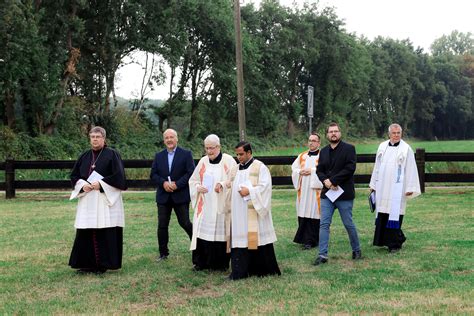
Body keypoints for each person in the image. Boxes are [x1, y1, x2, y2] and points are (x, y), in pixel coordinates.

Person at [69, 126, 127, 274]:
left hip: (104, 199)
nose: (95, 139)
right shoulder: (84, 156)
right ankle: (86, 264)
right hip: (88, 200)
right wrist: (82, 186)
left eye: (98, 137)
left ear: (104, 139)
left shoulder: (112, 155)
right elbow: (74, 176)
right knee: (86, 231)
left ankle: (103, 264)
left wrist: (101, 184)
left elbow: (119, 177)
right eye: (92, 137)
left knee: (104, 231)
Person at [224, 141, 281, 280]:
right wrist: (222, 185)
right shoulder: (234, 169)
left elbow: (265, 187)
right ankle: (240, 272)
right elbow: (229, 184)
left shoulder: (260, 167)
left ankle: (262, 270)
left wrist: (249, 191)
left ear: (249, 152)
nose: (239, 157)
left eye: (241, 154)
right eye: (237, 154)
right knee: (240, 241)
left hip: (253, 212)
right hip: (239, 213)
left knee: (256, 239)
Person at [314, 122, 361, 265]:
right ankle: (322, 255)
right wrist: (326, 182)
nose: (333, 134)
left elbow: (350, 168)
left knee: (348, 223)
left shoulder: (349, 149)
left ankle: (357, 250)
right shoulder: (323, 151)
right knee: (324, 224)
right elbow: (319, 170)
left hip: (344, 194)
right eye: (330, 132)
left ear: (340, 133)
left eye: (336, 131)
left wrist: (333, 181)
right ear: (327, 135)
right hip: (328, 194)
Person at [369, 123, 421, 253]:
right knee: (383, 213)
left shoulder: (406, 149)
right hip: (382, 186)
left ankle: (394, 244)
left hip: (397, 188)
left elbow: (411, 169)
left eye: (398, 133)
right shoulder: (382, 147)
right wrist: (373, 185)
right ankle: (386, 240)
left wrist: (410, 187)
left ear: (401, 134)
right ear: (389, 134)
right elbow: (377, 166)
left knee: (394, 214)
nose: (396, 135)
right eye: (394, 133)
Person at [188, 134, 236, 271]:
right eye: (206, 148)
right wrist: (198, 187)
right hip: (206, 205)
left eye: (212, 148)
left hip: (221, 205)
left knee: (220, 235)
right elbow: (193, 180)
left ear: (219, 147)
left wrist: (222, 184)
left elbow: (234, 179)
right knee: (202, 233)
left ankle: (220, 265)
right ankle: (201, 263)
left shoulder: (228, 161)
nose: (209, 151)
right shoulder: (203, 162)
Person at [150, 128, 195, 262]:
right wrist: (163, 183)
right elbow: (153, 174)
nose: (169, 140)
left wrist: (177, 184)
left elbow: (190, 173)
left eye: (171, 137)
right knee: (162, 225)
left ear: (177, 139)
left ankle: (198, 246)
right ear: (164, 140)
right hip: (163, 196)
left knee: (185, 223)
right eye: (166, 138)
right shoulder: (159, 156)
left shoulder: (186, 154)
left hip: (180, 195)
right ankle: (163, 253)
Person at [291, 133, 323, 250]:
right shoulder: (302, 156)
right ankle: (304, 239)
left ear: (319, 143)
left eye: (314, 141)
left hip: (316, 192)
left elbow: (325, 169)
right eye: (310, 140)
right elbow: (294, 168)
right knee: (303, 212)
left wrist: (312, 171)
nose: (311, 143)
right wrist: (299, 172)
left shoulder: (323, 155)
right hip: (303, 190)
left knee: (314, 213)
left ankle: (313, 240)